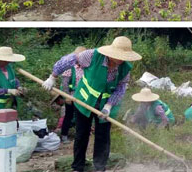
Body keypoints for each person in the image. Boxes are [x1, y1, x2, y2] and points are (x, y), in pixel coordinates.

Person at [43, 36, 140, 172]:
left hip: (105, 106)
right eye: (119, 56)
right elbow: (69, 59)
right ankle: (78, 167)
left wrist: (109, 106)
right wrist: (53, 76)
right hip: (84, 102)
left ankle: (100, 167)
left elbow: (121, 88)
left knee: (103, 136)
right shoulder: (92, 56)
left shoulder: (124, 68)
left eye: (123, 57)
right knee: (82, 134)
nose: (120, 60)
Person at [55, 46, 85, 139]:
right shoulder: (70, 67)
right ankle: (64, 135)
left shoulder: (85, 68)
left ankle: (80, 135)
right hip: (71, 96)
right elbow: (65, 83)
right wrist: (67, 96)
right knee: (68, 115)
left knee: (81, 116)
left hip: (82, 97)